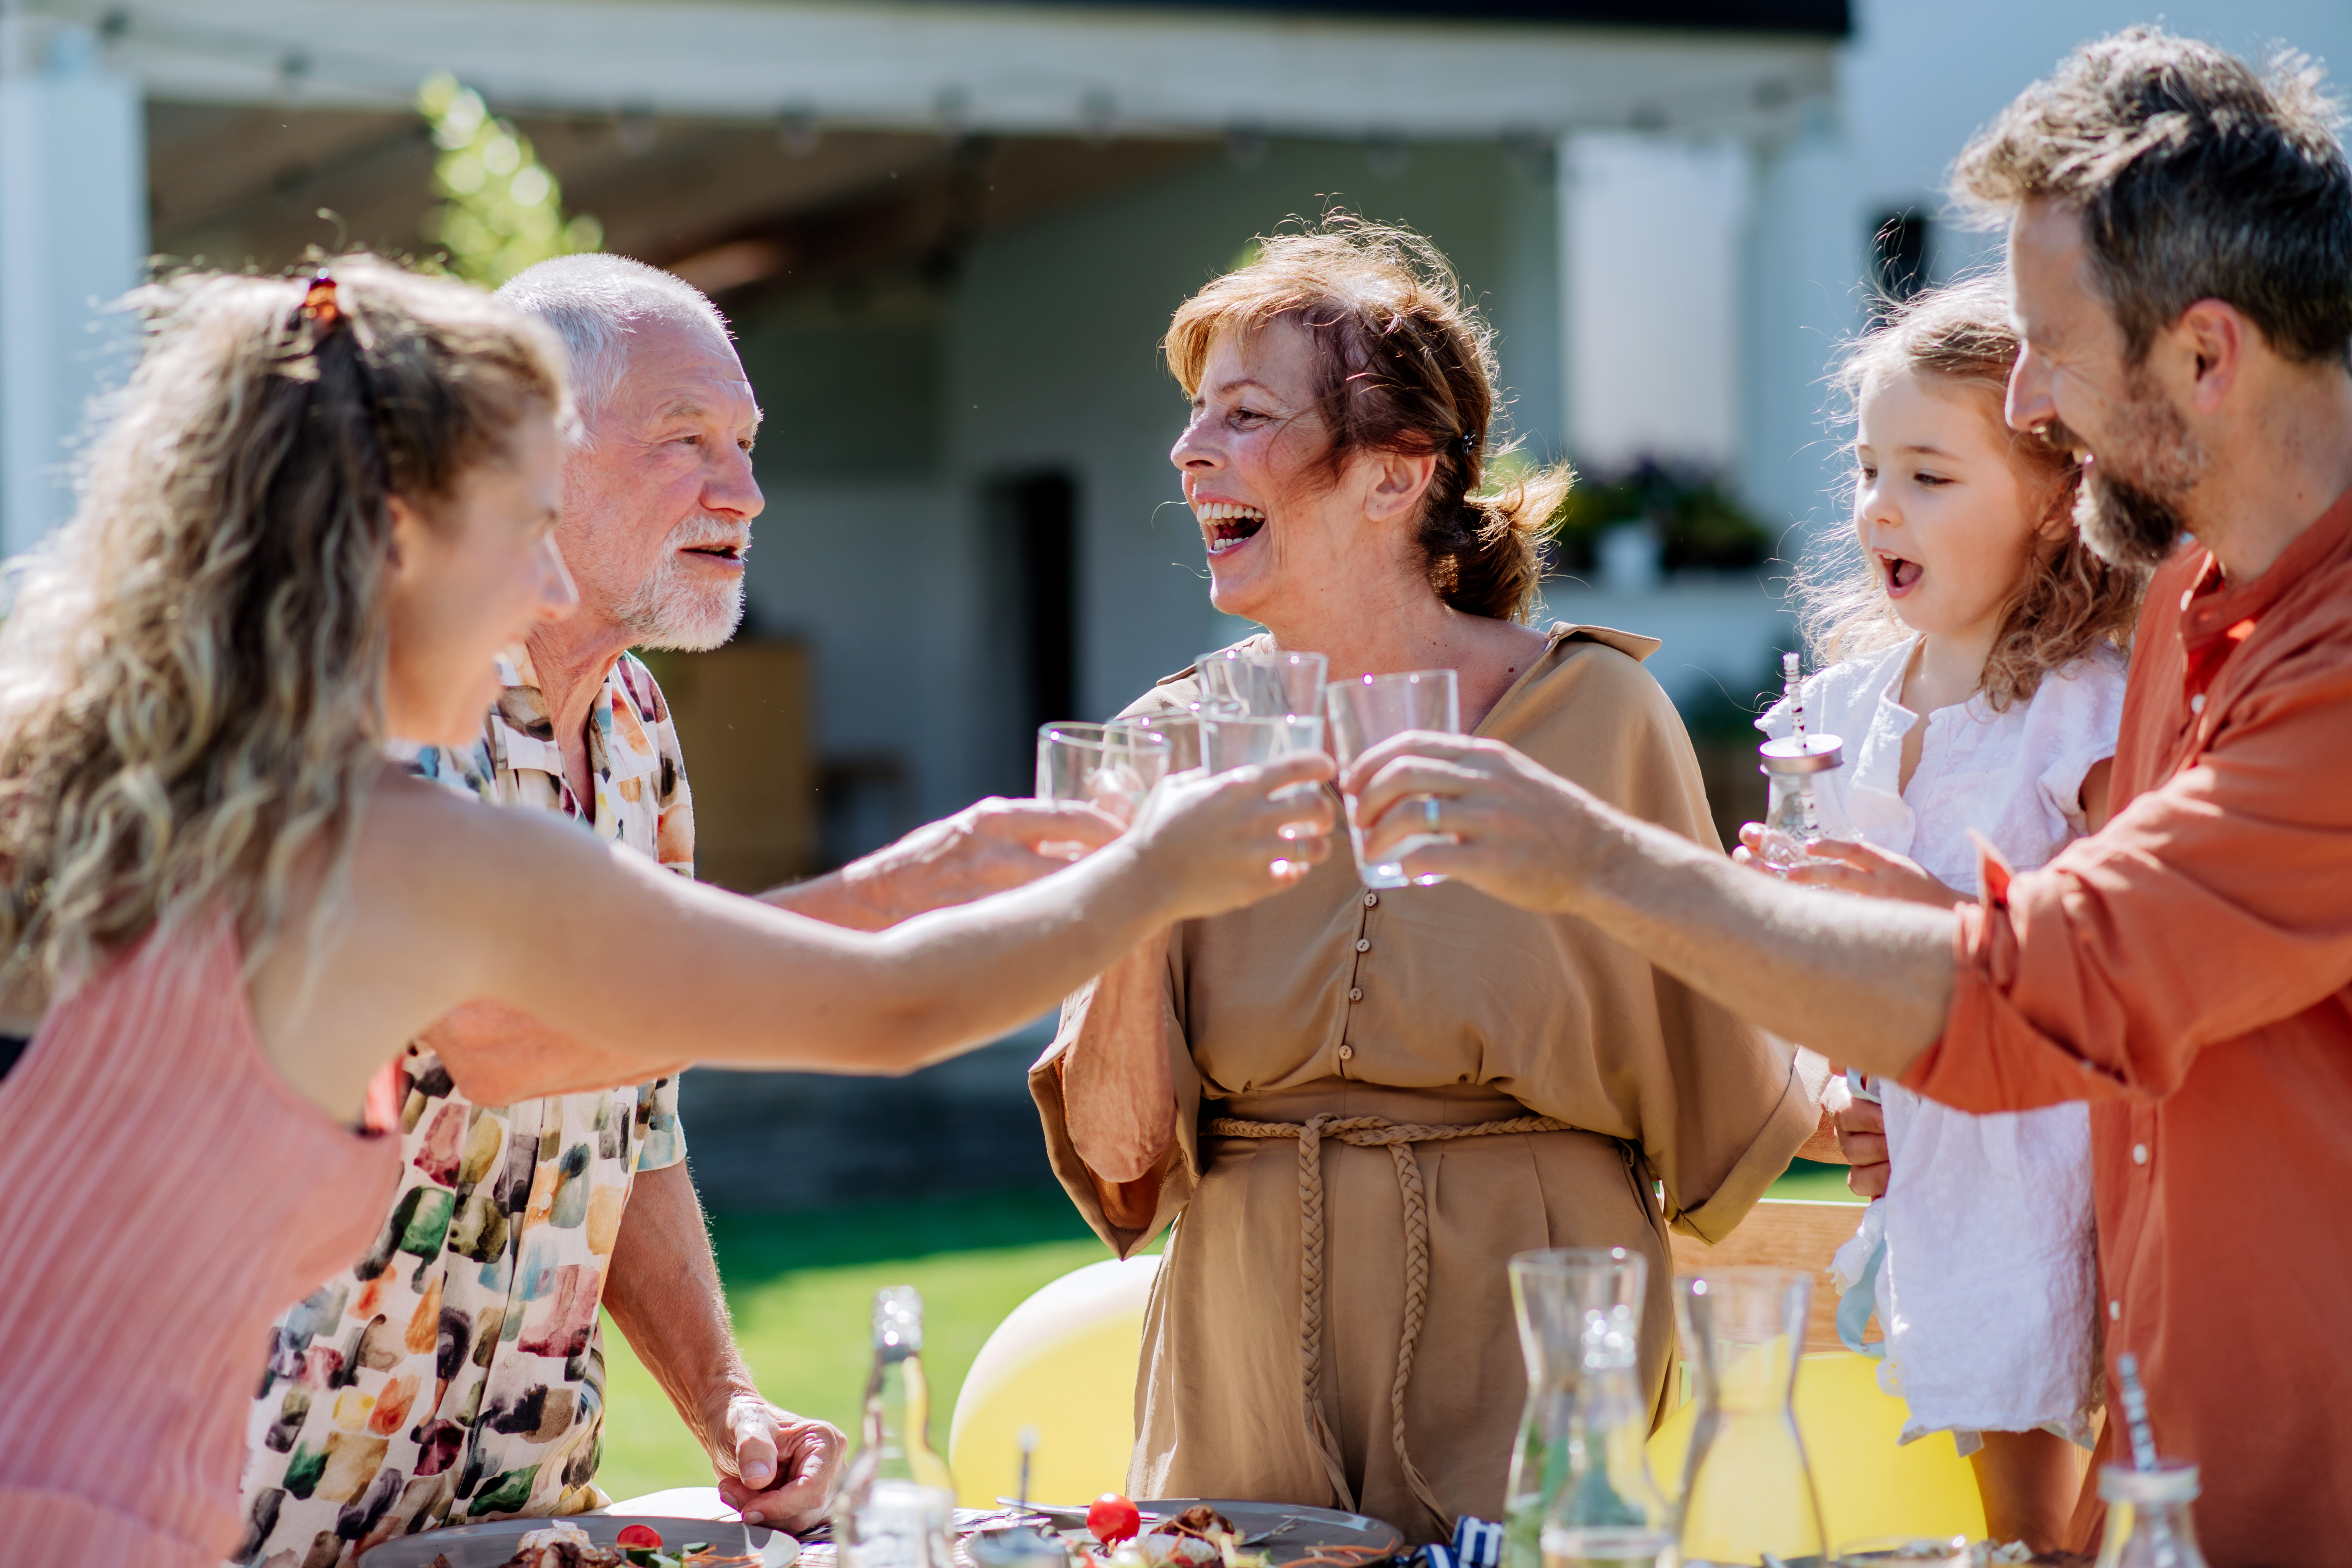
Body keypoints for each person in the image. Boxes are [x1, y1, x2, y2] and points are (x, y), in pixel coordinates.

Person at [0, 257, 1334, 1568]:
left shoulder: (198, 795)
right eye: (519, 528)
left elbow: (628, 1095)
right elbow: (876, 1011)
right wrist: (1154, 872)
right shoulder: (384, 832)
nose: (539, 589)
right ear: (397, 537)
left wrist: (721, 1396)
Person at [1342, 31, 2352, 1565]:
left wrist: (1596, 862)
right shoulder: (2189, 601)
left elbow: (2074, 982)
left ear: (2206, 357)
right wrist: (1911, 970)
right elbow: (2122, 998)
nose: (2024, 391)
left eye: (2050, 343)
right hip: (2172, 1480)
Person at [233, 253, 1115, 1565]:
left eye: (749, 444)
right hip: (265, 1507)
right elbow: (503, 1044)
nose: (746, 492)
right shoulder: (381, 696)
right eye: (686, 439)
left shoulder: (641, 728)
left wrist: (726, 1401)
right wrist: (901, 894)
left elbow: (628, 1114)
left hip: (524, 1507)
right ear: (535, 454)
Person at [1029, 221, 1831, 1542]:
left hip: (1527, 1338)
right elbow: (1119, 1155)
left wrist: (1929, 1081)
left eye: (1244, 413)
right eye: (1192, 415)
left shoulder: (1599, 717)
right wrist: (1133, 890)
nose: (1189, 450)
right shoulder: (1166, 736)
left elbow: (1727, 1096)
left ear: (1395, 477)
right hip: (1241, 1348)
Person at [1738, 277, 2143, 1551]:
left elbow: (2132, 945)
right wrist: (1839, 1089)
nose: (1878, 508)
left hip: (2075, 1180)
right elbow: (1814, 974)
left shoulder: (2085, 711)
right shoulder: (1837, 717)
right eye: (1866, 470)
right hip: (1937, 1187)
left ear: (2055, 495)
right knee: (2016, 1524)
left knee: (2107, 1514)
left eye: (1927, 474)